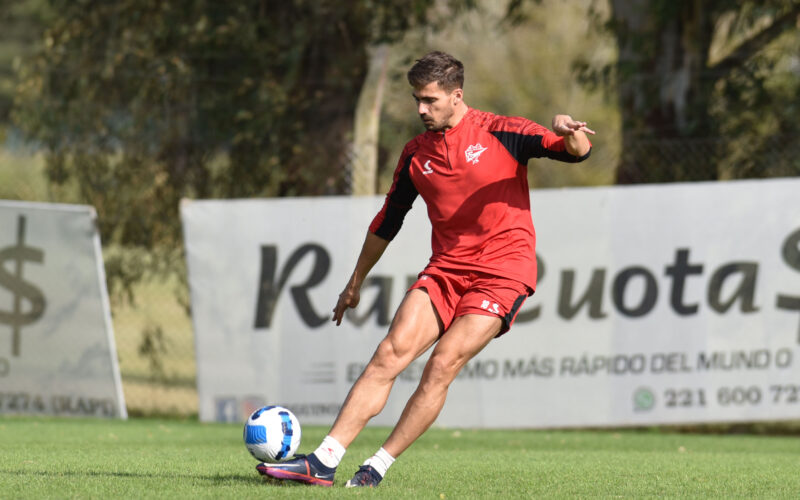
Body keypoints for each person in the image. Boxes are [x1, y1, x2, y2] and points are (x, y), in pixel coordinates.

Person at [257, 50, 594, 488]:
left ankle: (376, 466)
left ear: (457, 96)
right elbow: (387, 221)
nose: (421, 109)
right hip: (446, 270)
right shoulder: (416, 153)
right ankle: (323, 461)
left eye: (430, 100)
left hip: (503, 273)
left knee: (442, 364)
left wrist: (570, 133)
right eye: (417, 99)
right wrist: (354, 283)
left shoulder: (502, 130)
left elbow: (576, 153)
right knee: (388, 355)